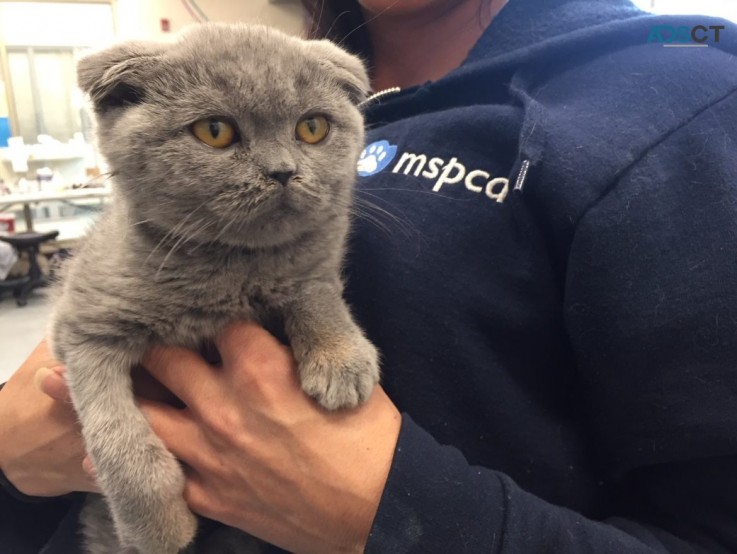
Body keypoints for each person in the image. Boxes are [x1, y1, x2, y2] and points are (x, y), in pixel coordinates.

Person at [2, 0, 737, 551]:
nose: (286, 162)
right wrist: (16, 462)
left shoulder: (676, 100)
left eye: (313, 132)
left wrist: (388, 510)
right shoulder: (296, 72)